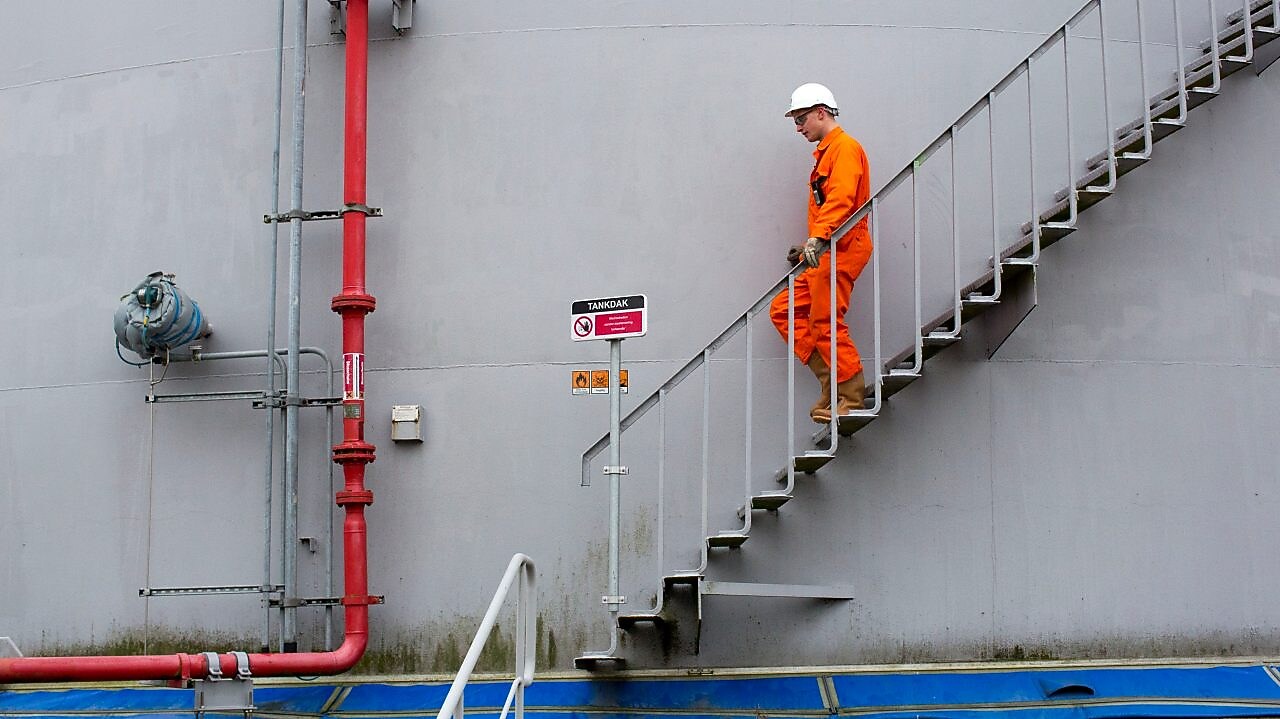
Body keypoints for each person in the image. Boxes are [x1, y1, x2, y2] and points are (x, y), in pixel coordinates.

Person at [769, 83, 873, 423]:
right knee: (783, 310)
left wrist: (819, 238)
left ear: (820, 112)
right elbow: (828, 204)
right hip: (826, 249)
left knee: (826, 322)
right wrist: (810, 244)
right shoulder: (828, 152)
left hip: (841, 249)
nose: (798, 128)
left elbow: (842, 200)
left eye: (801, 120)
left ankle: (853, 395)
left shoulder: (844, 148)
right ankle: (832, 383)